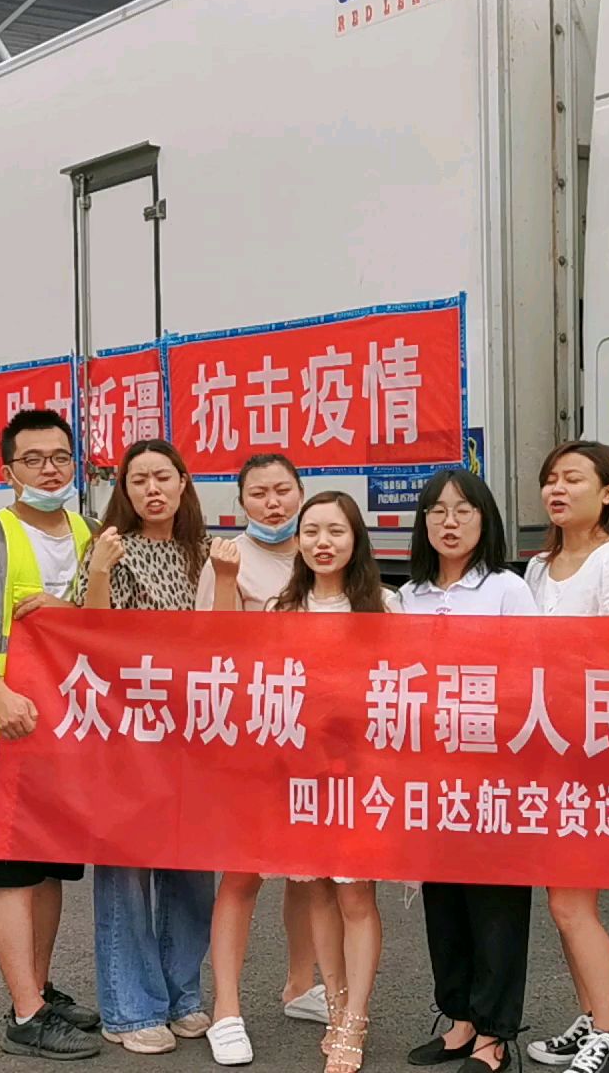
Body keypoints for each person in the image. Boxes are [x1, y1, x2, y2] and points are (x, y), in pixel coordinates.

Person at [0, 408, 102, 1060]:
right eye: (33, 459)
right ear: (8, 469)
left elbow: (102, 622)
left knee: (49, 873)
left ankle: (40, 989)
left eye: (60, 457)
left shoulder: (88, 532)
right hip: (7, 733)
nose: (49, 470)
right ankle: (24, 1012)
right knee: (14, 875)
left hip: (70, 729)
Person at [71, 438, 218, 1055]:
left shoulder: (206, 551)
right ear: (123, 491)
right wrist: (101, 569)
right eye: (138, 480)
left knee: (193, 870)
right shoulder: (108, 548)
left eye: (163, 477)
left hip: (196, 734)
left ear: (184, 483)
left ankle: (182, 994)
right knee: (128, 869)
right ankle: (130, 1008)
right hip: (128, 734)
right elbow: (86, 636)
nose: (152, 489)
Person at [523, 441, 609, 1073]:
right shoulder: (537, 568)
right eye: (551, 479)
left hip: (591, 756)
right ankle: (589, 1020)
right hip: (543, 753)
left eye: (573, 479)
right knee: (563, 901)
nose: (557, 489)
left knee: (571, 903)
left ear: (608, 493)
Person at [200, 454, 339, 1067]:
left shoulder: (317, 552)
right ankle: (226, 1010)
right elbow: (211, 649)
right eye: (259, 493)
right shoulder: (227, 557)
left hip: (317, 743)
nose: (273, 502)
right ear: (241, 501)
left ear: (302, 494)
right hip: (252, 738)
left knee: (310, 870)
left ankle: (300, 985)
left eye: (284, 490)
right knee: (242, 873)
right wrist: (225, 580)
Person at [398, 468, 538, 1073]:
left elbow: (532, 676)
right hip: (431, 771)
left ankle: (494, 1035)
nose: (449, 523)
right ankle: (458, 1019)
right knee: (444, 900)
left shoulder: (507, 590)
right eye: (437, 511)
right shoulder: (409, 596)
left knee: (495, 903)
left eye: (463, 511)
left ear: (485, 520)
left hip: (494, 771)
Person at [269, 490, 400, 1073]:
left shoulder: (384, 606)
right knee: (317, 890)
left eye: (336, 531)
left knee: (355, 895)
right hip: (301, 775)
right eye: (312, 531)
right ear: (298, 540)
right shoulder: (283, 610)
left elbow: (401, 693)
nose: (323, 543)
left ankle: (356, 1019)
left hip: (362, 775)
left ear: (356, 540)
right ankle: (335, 1005)